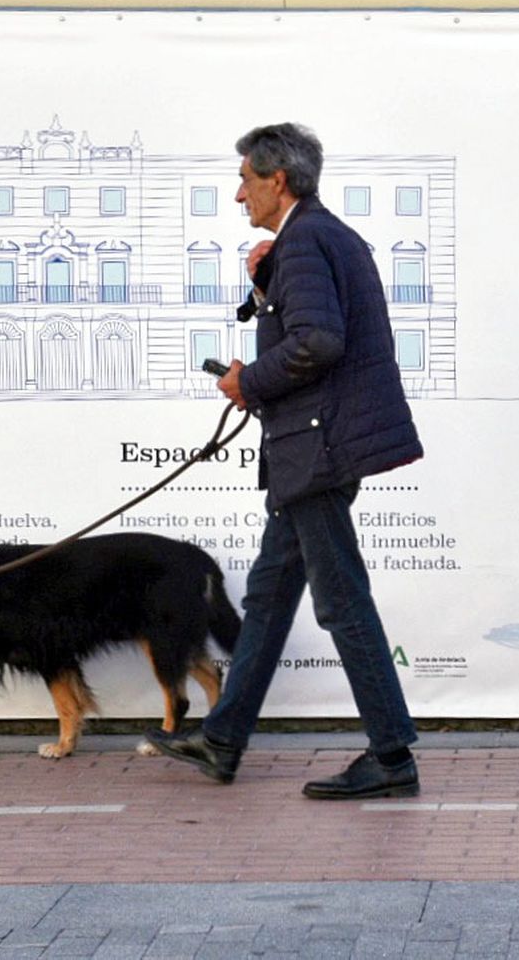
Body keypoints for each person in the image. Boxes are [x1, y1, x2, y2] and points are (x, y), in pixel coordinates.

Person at [147, 122, 423, 800]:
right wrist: (269, 279)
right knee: (269, 596)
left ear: (279, 180)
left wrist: (250, 380)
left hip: (316, 448)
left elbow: (318, 342)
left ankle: (390, 754)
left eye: (246, 179)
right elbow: (314, 327)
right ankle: (222, 737)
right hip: (313, 444)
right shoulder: (313, 239)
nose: (239, 194)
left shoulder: (306, 240)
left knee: (341, 602)